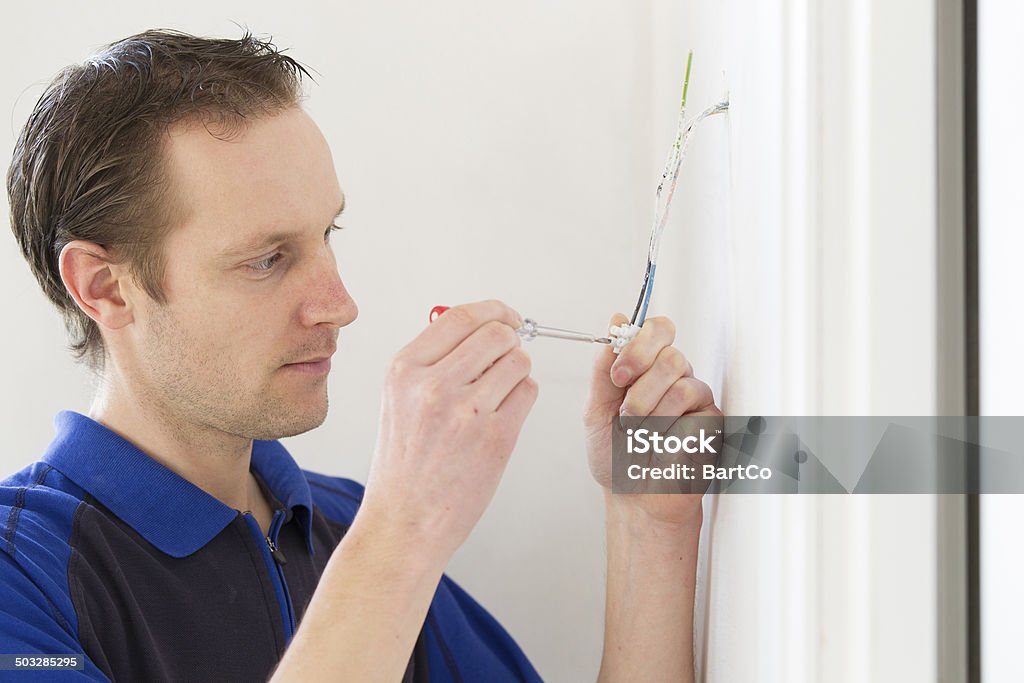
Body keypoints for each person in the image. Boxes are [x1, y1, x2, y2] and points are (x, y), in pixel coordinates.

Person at [1, 30, 720, 682]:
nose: (339, 305)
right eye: (268, 259)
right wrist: (403, 533)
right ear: (105, 287)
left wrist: (648, 523)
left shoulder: (346, 525)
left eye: (326, 235)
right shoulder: (20, 575)